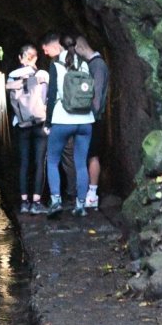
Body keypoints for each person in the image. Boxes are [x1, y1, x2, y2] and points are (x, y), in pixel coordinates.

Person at [42, 33, 96, 217]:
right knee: (81, 163)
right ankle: (80, 205)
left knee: (53, 161)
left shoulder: (56, 65)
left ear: (61, 46)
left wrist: (48, 122)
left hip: (62, 119)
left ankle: (56, 201)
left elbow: (51, 96)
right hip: (85, 120)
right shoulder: (85, 64)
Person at [7, 44, 48, 214]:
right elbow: (47, 98)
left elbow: (11, 102)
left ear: (20, 58)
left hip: (21, 124)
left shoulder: (12, 76)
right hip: (40, 123)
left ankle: (24, 201)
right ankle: (36, 202)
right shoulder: (43, 74)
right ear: (36, 57)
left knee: (24, 162)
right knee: (39, 162)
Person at [74, 35, 108, 210]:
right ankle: (85, 191)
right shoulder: (93, 65)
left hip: (94, 118)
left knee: (93, 155)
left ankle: (92, 194)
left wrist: (90, 114)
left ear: (80, 47)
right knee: (87, 155)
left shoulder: (98, 65)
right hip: (89, 117)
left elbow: (97, 94)